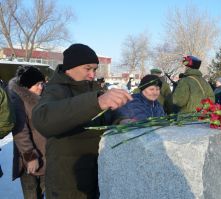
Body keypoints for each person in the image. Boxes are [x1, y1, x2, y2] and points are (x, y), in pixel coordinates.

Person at [32, 43, 132, 199]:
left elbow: (110, 114)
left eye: (94, 69)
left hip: (95, 177)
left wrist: (122, 120)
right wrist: (97, 102)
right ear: (70, 67)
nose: (92, 75)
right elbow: (43, 119)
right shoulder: (55, 89)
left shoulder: (92, 88)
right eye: (88, 68)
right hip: (68, 185)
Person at [7, 66, 46, 199]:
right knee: (32, 195)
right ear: (27, 85)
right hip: (29, 161)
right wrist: (31, 157)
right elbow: (20, 132)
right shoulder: (18, 99)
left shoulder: (41, 97)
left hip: (46, 158)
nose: (41, 87)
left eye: (42, 83)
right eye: (37, 84)